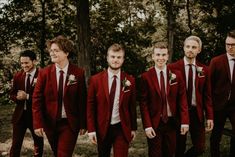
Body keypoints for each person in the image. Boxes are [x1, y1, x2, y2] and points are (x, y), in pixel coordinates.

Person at [32, 35, 87, 156]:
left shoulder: (78, 73)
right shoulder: (44, 73)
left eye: (56, 50)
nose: (52, 53)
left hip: (70, 123)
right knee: (57, 153)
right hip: (50, 123)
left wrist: (83, 123)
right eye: (51, 50)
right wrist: (38, 123)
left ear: (66, 53)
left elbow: (82, 100)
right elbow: (37, 100)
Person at [139, 42, 189, 157]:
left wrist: (185, 121)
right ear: (152, 56)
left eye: (163, 55)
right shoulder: (145, 77)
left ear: (167, 56)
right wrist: (147, 125)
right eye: (157, 55)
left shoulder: (177, 75)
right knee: (155, 154)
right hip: (155, 122)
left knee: (169, 152)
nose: (160, 58)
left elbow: (182, 99)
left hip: (172, 122)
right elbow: (144, 104)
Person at [87, 43, 137, 157]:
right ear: (107, 58)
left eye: (119, 57)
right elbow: (90, 106)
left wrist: (133, 127)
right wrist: (91, 129)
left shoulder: (130, 80)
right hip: (102, 127)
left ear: (123, 59)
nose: (115, 60)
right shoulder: (95, 80)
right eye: (113, 57)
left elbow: (132, 106)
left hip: (121, 127)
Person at [169, 36, 214, 157]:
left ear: (199, 50)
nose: (190, 49)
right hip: (179, 113)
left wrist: (210, 116)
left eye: (194, 47)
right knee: (179, 146)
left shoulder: (205, 70)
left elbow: (207, 95)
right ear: (183, 48)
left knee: (200, 147)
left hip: (196, 112)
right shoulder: (172, 68)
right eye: (188, 46)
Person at [9, 50, 44, 157]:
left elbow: (45, 98)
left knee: (38, 144)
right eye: (22, 63)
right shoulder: (18, 76)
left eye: (27, 63)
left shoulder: (43, 75)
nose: (24, 65)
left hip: (36, 116)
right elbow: (12, 93)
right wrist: (17, 97)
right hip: (20, 116)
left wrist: (27, 96)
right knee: (15, 144)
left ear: (34, 61)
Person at [210, 29, 235, 157]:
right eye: (227, 44)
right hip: (218, 105)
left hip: (234, 106)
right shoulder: (216, 61)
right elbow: (209, 85)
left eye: (233, 45)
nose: (229, 47)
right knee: (216, 134)